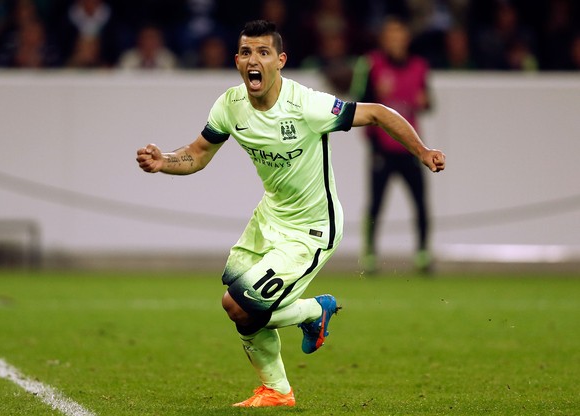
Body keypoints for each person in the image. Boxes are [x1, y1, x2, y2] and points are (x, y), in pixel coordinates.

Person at [136, 20, 445, 408]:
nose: (254, 60)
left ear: (280, 60)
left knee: (238, 304)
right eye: (247, 52)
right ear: (237, 61)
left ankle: (316, 310)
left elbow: (380, 113)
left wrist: (422, 151)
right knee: (238, 310)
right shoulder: (230, 106)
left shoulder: (308, 106)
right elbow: (198, 154)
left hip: (312, 229)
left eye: (264, 52)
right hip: (268, 221)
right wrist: (163, 160)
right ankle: (277, 391)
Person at [350, 16, 433, 274]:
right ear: (384, 39)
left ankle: (422, 254)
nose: (396, 39)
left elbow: (428, 102)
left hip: (410, 149)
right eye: (391, 35)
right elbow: (358, 101)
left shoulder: (420, 66)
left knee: (420, 202)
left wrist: (425, 100)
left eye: (400, 34)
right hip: (382, 148)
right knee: (376, 204)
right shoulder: (371, 64)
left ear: (406, 38)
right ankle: (371, 255)